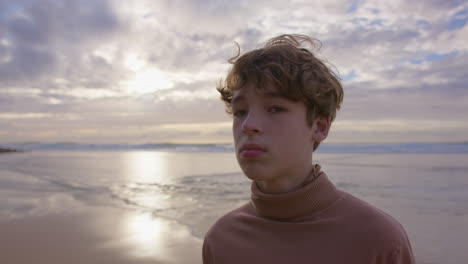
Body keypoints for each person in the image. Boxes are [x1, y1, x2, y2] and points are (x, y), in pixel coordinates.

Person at [202, 34, 415, 264]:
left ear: (320, 127)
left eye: (275, 109)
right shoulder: (222, 240)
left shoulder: (378, 240)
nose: (248, 125)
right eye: (240, 112)